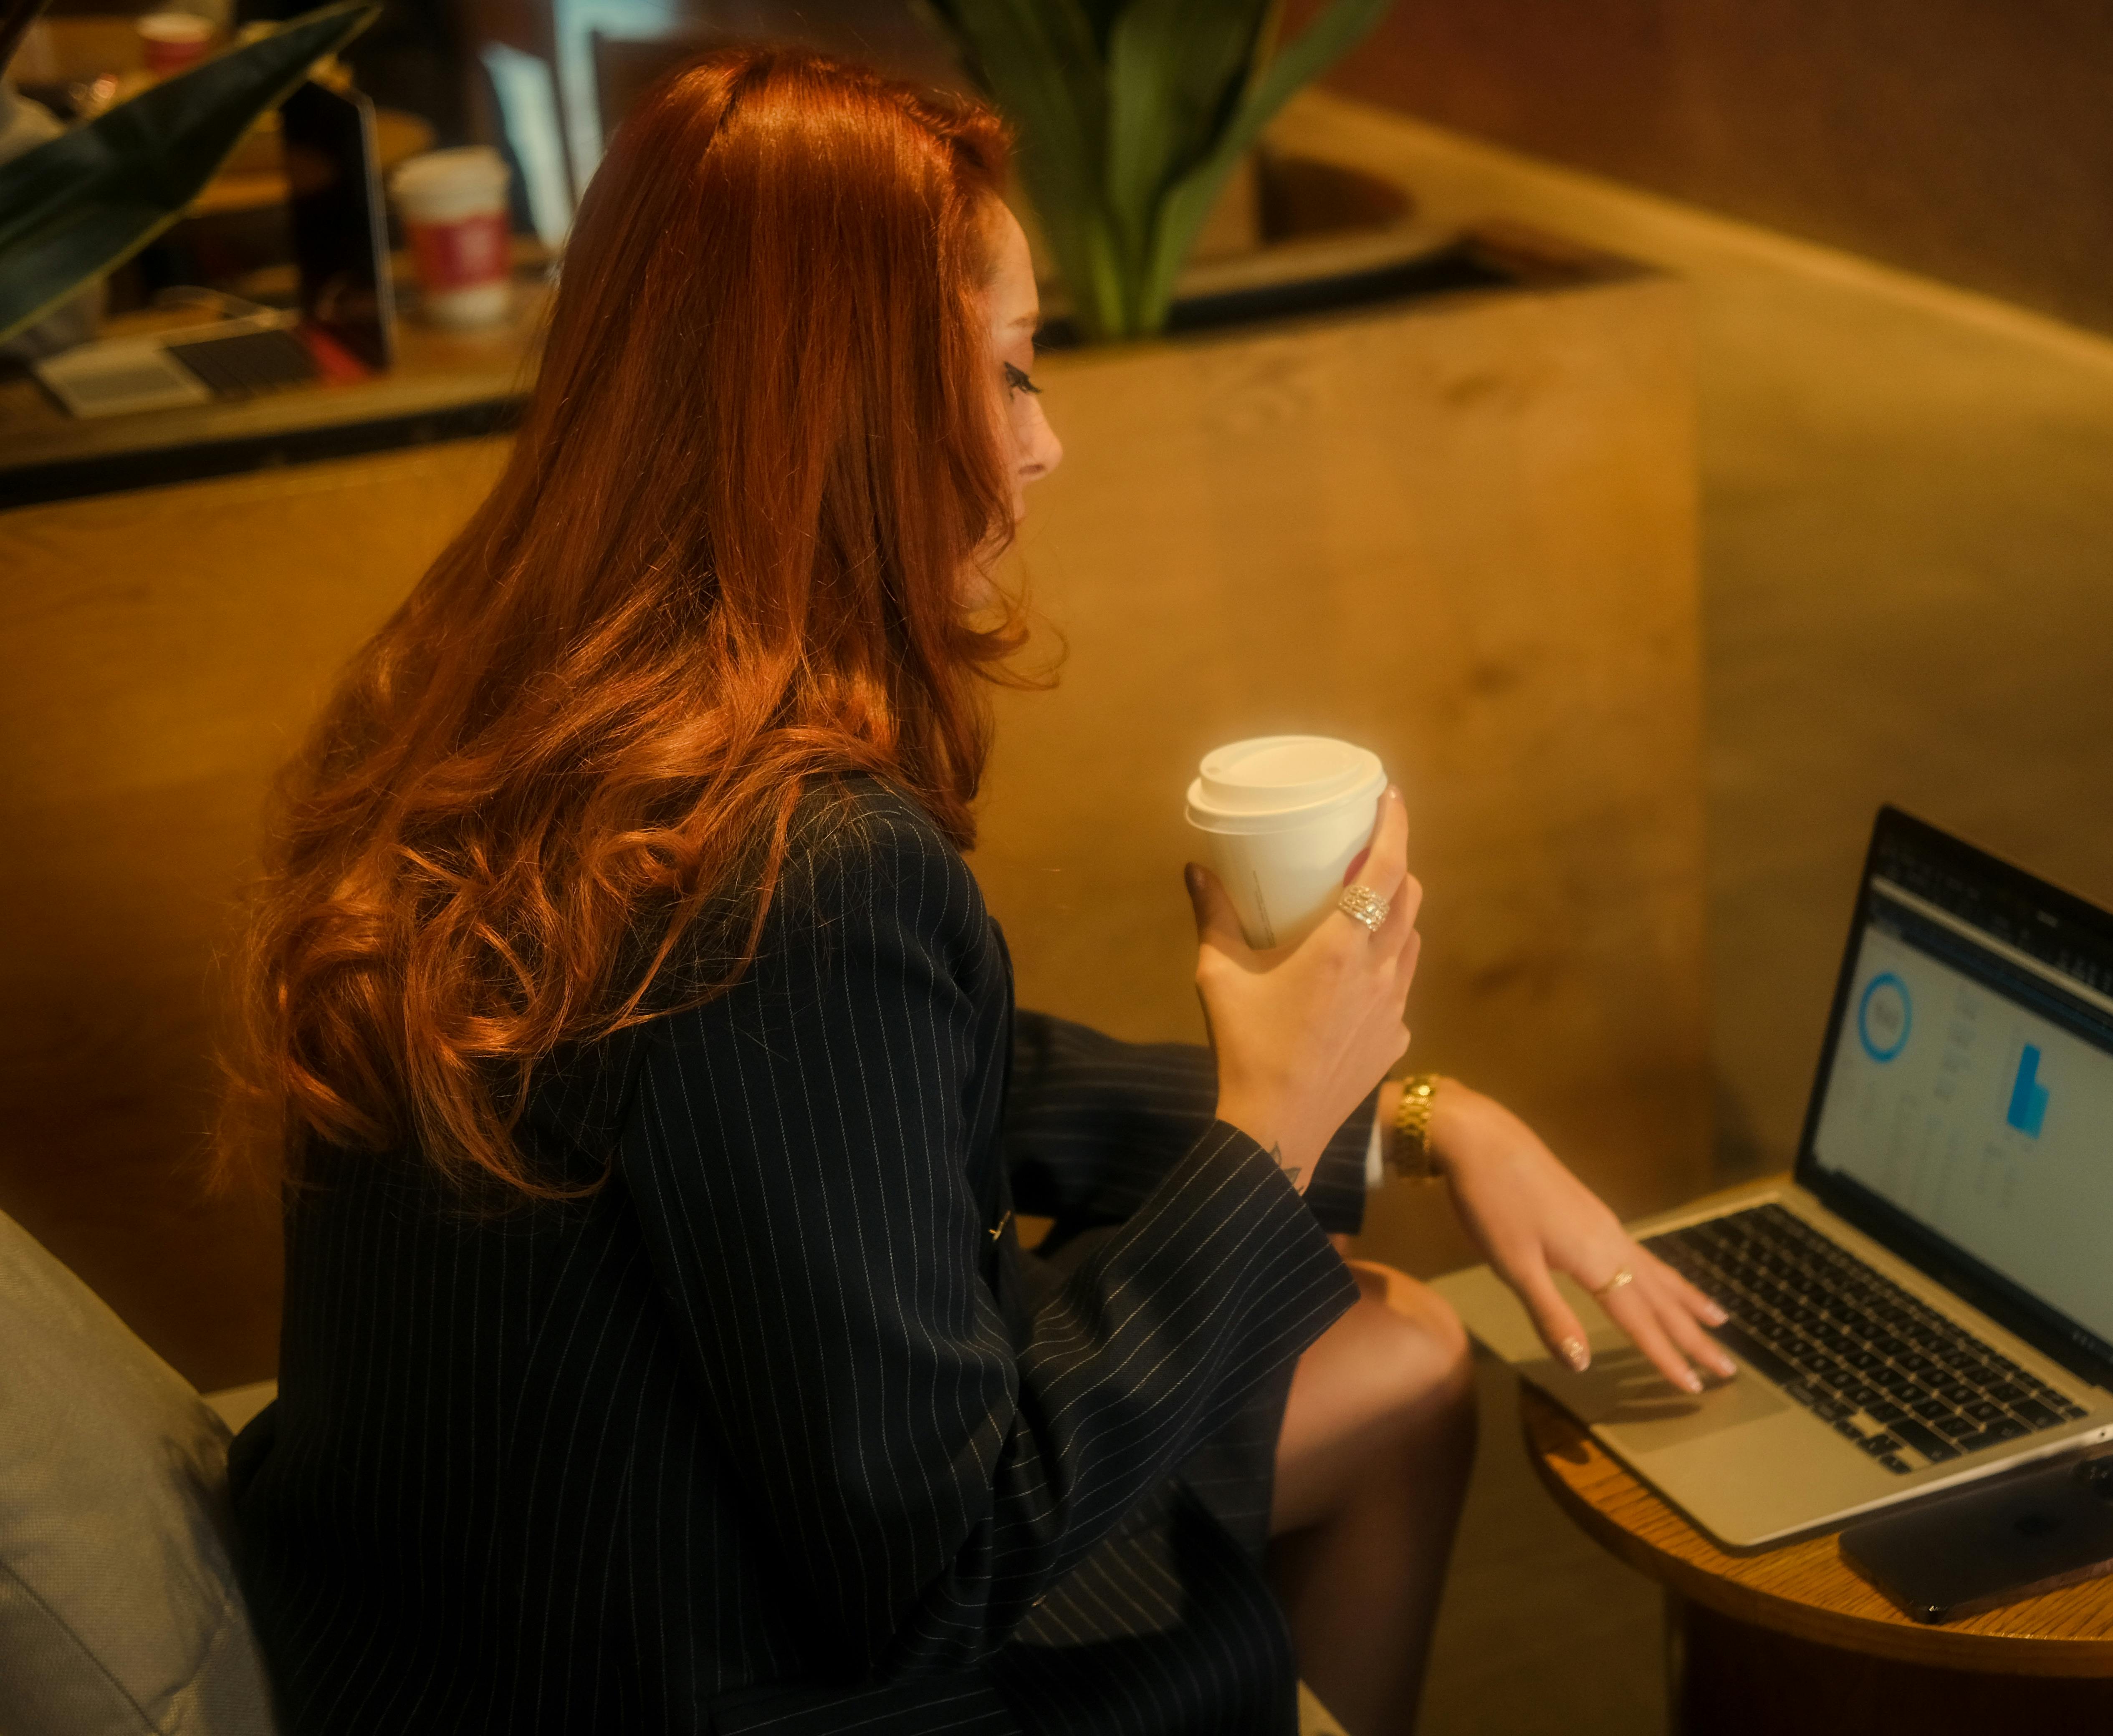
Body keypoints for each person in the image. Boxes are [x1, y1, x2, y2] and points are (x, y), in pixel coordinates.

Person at [219, 47, 1735, 1736]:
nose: (1046, 441)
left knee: (1396, 1340)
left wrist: (1414, 1119)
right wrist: (1269, 1121)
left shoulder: (495, 694)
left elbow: (898, 1087)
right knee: (1351, 1379)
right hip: (691, 1665)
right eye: (1010, 369)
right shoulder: (793, 863)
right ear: (849, 407)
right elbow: (940, 1569)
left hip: (447, 1604)